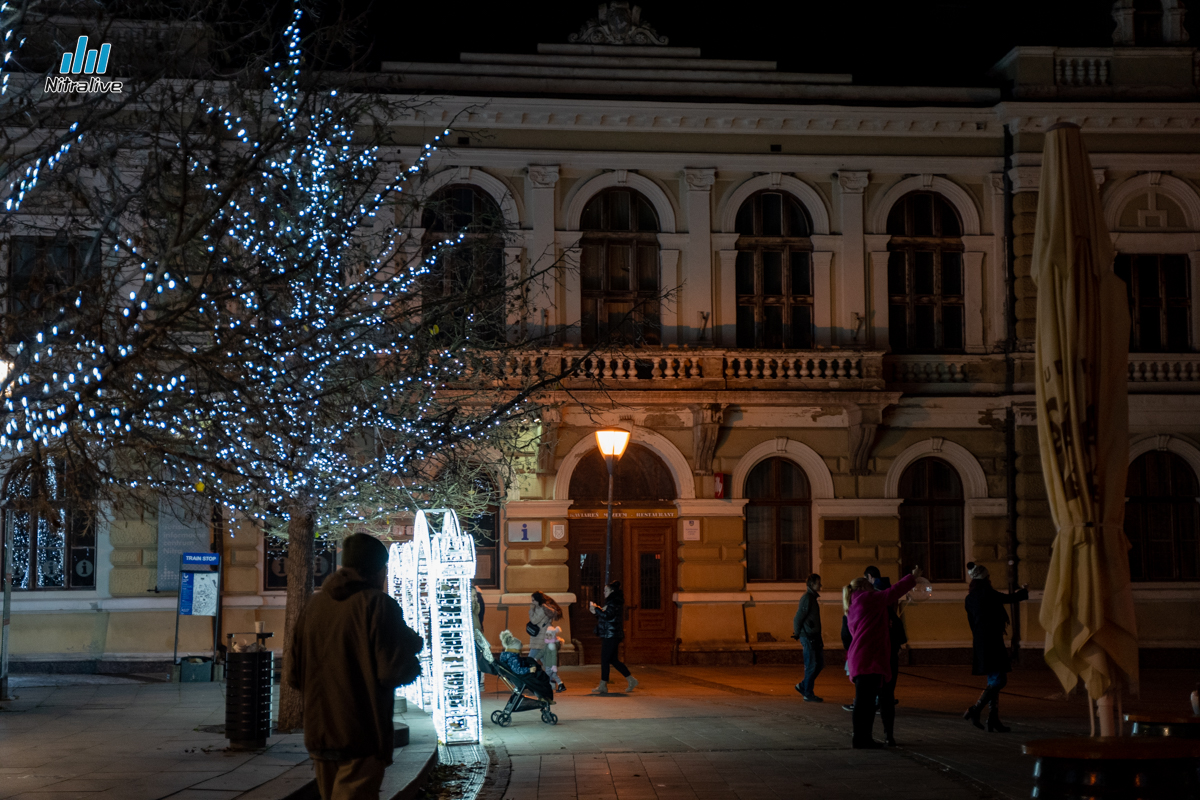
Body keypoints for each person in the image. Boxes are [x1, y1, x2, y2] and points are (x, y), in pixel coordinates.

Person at [286, 533, 424, 800]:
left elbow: (293, 675)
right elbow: (393, 670)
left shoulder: (313, 606)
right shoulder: (377, 604)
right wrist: (411, 656)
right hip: (361, 732)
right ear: (377, 570)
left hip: (319, 732)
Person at [845, 565, 920, 749]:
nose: (875, 588)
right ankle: (864, 739)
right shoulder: (867, 599)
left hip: (861, 657)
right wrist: (912, 577)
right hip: (868, 658)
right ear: (864, 587)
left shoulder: (853, 604)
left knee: (862, 702)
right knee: (867, 703)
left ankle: (860, 737)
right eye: (871, 586)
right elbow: (892, 593)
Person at [962, 562, 1029, 733]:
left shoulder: (970, 598)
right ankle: (975, 710)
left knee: (993, 679)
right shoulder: (988, 593)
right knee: (1000, 680)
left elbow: (972, 622)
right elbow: (1008, 598)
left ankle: (993, 718)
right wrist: (1024, 592)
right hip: (992, 641)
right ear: (985, 579)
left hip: (980, 642)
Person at [865, 566, 907, 711]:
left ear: (870, 577)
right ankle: (886, 699)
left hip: (884, 640)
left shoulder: (876, 593)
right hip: (892, 639)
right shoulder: (888, 589)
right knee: (890, 672)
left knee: (880, 673)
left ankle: (880, 701)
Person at [589, 580, 638, 694]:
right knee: (613, 660)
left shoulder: (613, 603)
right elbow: (605, 618)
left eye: (606, 590)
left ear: (612, 591)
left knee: (605, 660)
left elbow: (607, 615)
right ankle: (631, 680)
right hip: (611, 634)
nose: (603, 592)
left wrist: (597, 609)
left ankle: (603, 685)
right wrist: (597, 612)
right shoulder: (611, 602)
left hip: (611, 635)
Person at [498, 629, 556, 701]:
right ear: (515, 649)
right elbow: (517, 670)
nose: (521, 651)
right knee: (542, 678)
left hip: (516, 678)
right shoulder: (513, 658)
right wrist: (529, 670)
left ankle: (543, 697)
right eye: (520, 650)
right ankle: (546, 697)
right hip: (521, 678)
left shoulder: (506, 655)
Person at [792, 573, 824, 701]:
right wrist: (797, 633)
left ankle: (803, 686)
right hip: (808, 636)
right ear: (812, 584)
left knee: (819, 664)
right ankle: (808, 693)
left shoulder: (811, 598)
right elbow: (798, 617)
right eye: (818, 582)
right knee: (812, 665)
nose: (820, 585)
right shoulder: (807, 598)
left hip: (814, 636)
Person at [527, 590, 564, 662]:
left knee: (530, 660)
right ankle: (551, 672)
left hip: (540, 636)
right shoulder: (540, 608)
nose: (532, 602)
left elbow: (534, 621)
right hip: (540, 636)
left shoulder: (542, 609)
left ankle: (524, 672)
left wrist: (531, 610)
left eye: (534, 600)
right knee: (545, 661)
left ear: (538, 600)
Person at [542, 623, 565, 692]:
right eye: (547, 635)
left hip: (551, 663)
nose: (547, 636)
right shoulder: (551, 642)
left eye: (549, 635)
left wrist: (553, 664)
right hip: (552, 663)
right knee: (554, 675)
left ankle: (545, 687)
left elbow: (553, 655)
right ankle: (561, 685)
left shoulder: (552, 644)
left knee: (547, 675)